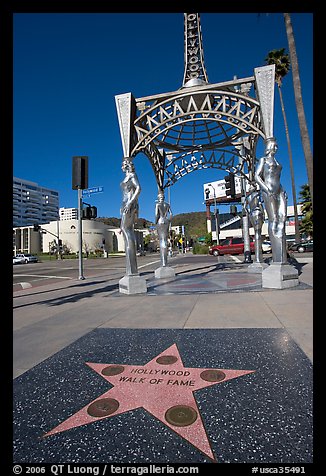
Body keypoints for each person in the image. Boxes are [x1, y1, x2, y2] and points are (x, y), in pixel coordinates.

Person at [255, 137, 288, 264]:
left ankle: (282, 256)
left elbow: (277, 179)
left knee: (283, 218)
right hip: (268, 191)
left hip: (279, 191)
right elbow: (257, 176)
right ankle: (278, 258)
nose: (275, 148)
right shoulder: (263, 160)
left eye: (276, 146)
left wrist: (282, 190)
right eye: (273, 146)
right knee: (273, 220)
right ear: (268, 148)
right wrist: (266, 189)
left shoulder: (277, 161)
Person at [120, 158, 141, 276]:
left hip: (129, 204)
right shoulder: (128, 177)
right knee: (126, 230)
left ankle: (132, 268)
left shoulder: (132, 175)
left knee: (126, 230)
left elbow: (138, 188)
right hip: (126, 204)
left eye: (123, 165)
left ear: (127, 165)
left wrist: (130, 203)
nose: (121, 167)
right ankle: (130, 267)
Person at [245, 184, 264, 263]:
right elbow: (260, 205)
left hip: (252, 214)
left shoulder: (247, 197)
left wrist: (249, 213)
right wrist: (263, 214)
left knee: (256, 233)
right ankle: (259, 258)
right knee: (258, 233)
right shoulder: (257, 195)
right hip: (257, 213)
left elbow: (245, 207)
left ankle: (258, 257)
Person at [155, 190, 173, 267]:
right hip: (166, 221)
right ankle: (165, 262)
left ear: (159, 198)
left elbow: (156, 214)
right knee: (165, 239)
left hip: (160, 221)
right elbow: (171, 214)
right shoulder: (167, 204)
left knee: (161, 240)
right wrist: (168, 220)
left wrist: (156, 222)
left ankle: (163, 263)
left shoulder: (157, 205)